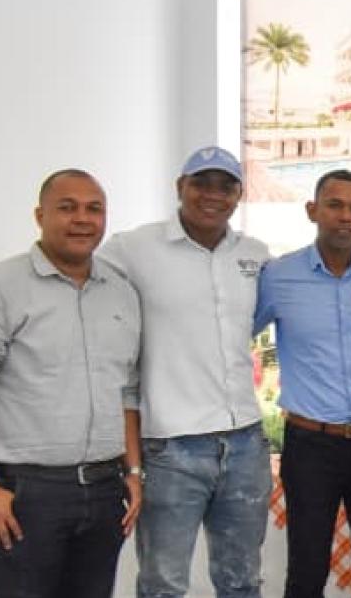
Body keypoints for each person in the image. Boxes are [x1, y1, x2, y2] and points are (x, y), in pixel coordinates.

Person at [0, 169, 144, 598]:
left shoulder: (121, 292)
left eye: (94, 209)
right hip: (23, 495)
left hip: (104, 489)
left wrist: (132, 471)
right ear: (40, 215)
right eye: (67, 207)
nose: (82, 219)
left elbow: (125, 389)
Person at [102, 146, 272, 598]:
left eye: (226, 186)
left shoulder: (255, 254)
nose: (212, 195)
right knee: (163, 585)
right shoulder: (135, 248)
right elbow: (72, 266)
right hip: (171, 449)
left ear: (239, 194)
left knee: (242, 581)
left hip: (245, 445)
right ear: (181, 188)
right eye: (201, 184)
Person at [254, 169, 351, 598]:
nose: (345, 216)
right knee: (306, 570)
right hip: (310, 446)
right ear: (313, 211)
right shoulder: (278, 277)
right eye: (335, 205)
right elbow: (233, 338)